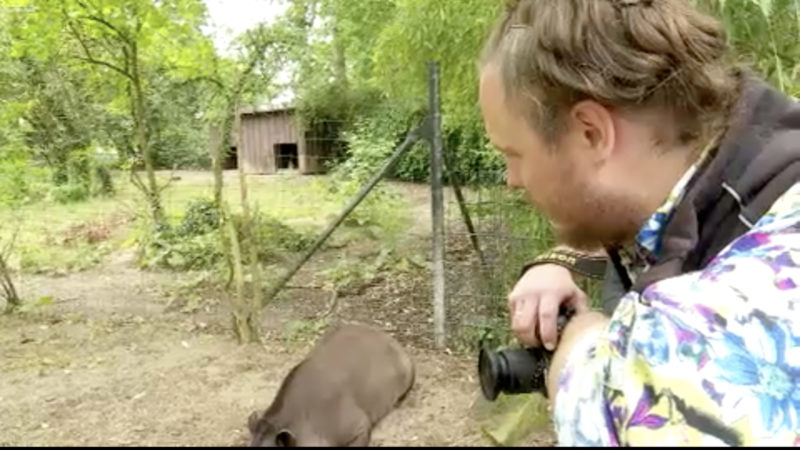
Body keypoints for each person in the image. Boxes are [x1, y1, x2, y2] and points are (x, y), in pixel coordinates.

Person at [478, 0, 800, 446]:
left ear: (591, 133)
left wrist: (581, 341)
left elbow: (629, 403)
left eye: (514, 154)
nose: (512, 180)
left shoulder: (707, 328)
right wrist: (557, 260)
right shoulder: (764, 168)